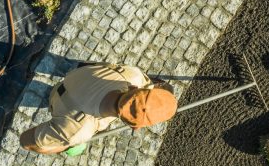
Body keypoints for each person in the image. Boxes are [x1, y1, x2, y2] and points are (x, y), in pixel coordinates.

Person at [19, 62, 178, 155]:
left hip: (73, 80)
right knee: (73, 146)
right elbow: (26, 141)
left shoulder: (133, 75)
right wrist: (65, 145)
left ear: (134, 88)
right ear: (134, 127)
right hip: (55, 101)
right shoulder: (78, 131)